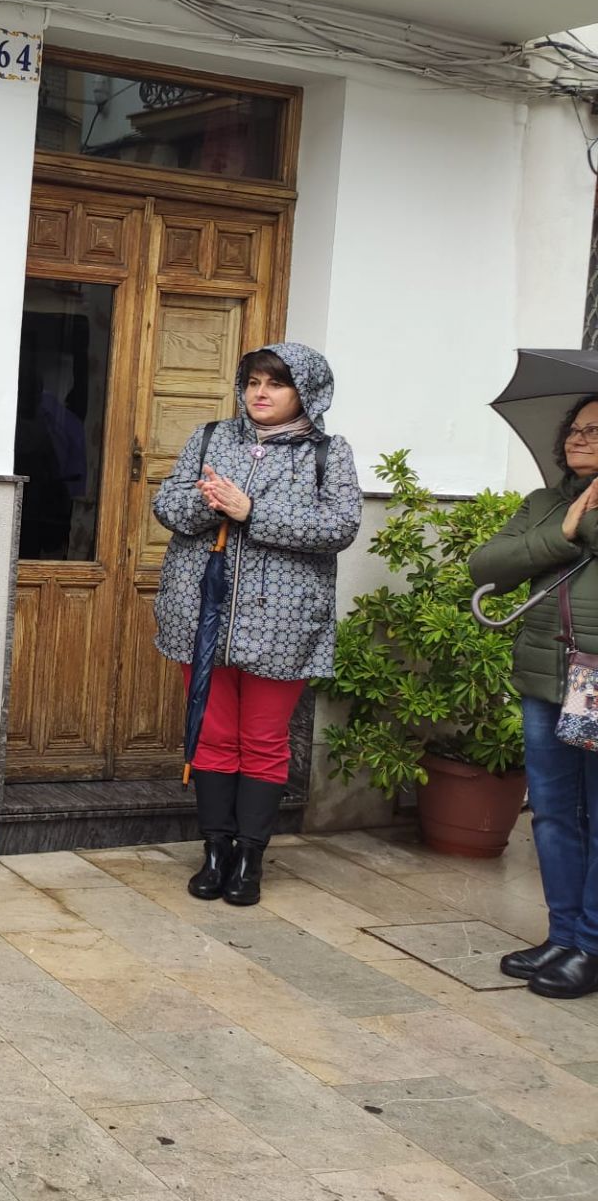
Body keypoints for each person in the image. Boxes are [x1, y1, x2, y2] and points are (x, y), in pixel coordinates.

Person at [153, 343, 363, 907]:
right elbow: (167, 506)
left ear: (306, 392)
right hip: (202, 613)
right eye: (252, 382)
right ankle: (214, 851)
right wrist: (210, 503)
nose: (260, 393)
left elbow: (339, 526)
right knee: (213, 734)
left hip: (282, 623)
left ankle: (249, 858)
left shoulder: (328, 453)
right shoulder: (210, 438)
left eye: (275, 383)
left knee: (264, 740)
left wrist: (252, 511)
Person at [470, 394, 598, 1000]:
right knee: (552, 813)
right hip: (547, 678)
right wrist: (566, 528)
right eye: (575, 427)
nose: (579, 437)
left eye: (596, 429)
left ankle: (591, 946)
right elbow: (487, 567)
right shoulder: (545, 503)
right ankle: (564, 934)